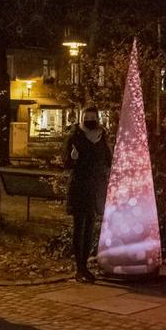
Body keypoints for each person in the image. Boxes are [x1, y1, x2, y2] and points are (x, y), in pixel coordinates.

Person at [64, 106, 112, 283]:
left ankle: (85, 266)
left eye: (93, 117)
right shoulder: (75, 137)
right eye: (87, 116)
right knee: (79, 226)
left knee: (91, 226)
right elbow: (66, 163)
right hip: (80, 187)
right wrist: (73, 158)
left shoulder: (101, 137)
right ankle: (80, 268)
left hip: (96, 187)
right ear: (81, 118)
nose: (90, 119)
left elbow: (107, 160)